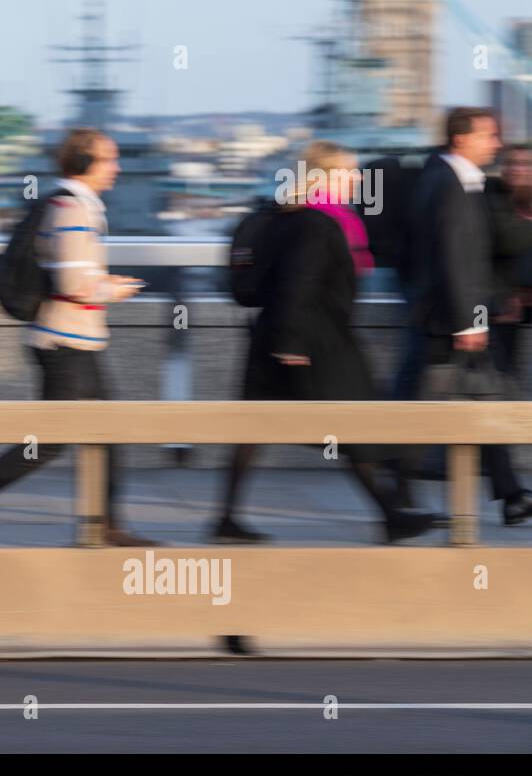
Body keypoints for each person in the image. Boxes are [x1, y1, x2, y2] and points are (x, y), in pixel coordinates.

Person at [210, 141, 440, 544]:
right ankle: (391, 514)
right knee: (351, 423)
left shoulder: (294, 214)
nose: (356, 179)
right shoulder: (319, 223)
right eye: (348, 173)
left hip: (283, 336)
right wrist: (292, 344)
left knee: (259, 427)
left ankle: (226, 518)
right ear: (325, 178)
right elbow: (299, 283)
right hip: (311, 343)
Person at [0, 128, 154, 547]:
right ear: (85, 163)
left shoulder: (78, 205)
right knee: (51, 442)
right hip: (64, 342)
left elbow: (74, 273)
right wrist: (115, 289)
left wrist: (102, 281)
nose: (117, 167)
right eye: (110, 159)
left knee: (106, 431)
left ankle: (105, 524)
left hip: (76, 340)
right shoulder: (72, 209)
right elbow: (74, 281)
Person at [408, 107, 532, 526]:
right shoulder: (450, 183)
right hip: (453, 325)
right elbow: (455, 257)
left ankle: (511, 496)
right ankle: (394, 498)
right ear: (461, 138)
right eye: (489, 135)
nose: (496, 144)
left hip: (454, 320)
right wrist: (471, 323)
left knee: (480, 404)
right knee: (425, 412)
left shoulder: (448, 177)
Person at [485, 143, 532, 378]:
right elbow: (505, 240)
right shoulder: (490, 195)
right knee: (499, 376)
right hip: (497, 308)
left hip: (520, 304)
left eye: (525, 164)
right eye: (511, 163)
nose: (517, 169)